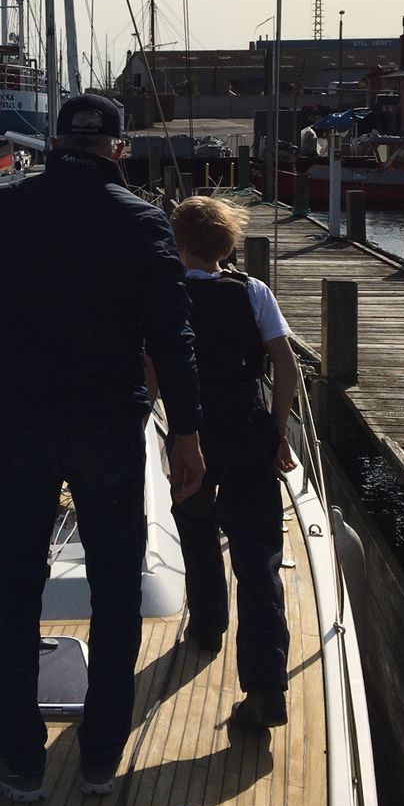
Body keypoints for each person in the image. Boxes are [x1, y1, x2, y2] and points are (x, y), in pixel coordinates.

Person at [0, 92, 204, 802]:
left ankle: (20, 759)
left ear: (52, 143)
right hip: (109, 428)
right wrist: (187, 434)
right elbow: (173, 339)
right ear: (118, 148)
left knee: (16, 589)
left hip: (23, 426)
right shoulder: (143, 222)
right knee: (115, 589)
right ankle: (101, 757)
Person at [165, 195, 295, 729]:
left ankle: (207, 624)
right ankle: (266, 687)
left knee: (195, 524)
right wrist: (278, 433)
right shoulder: (253, 291)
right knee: (258, 554)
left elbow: (151, 368)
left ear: (178, 243)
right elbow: (286, 368)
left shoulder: (169, 294)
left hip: (191, 427)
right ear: (227, 243)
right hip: (247, 424)